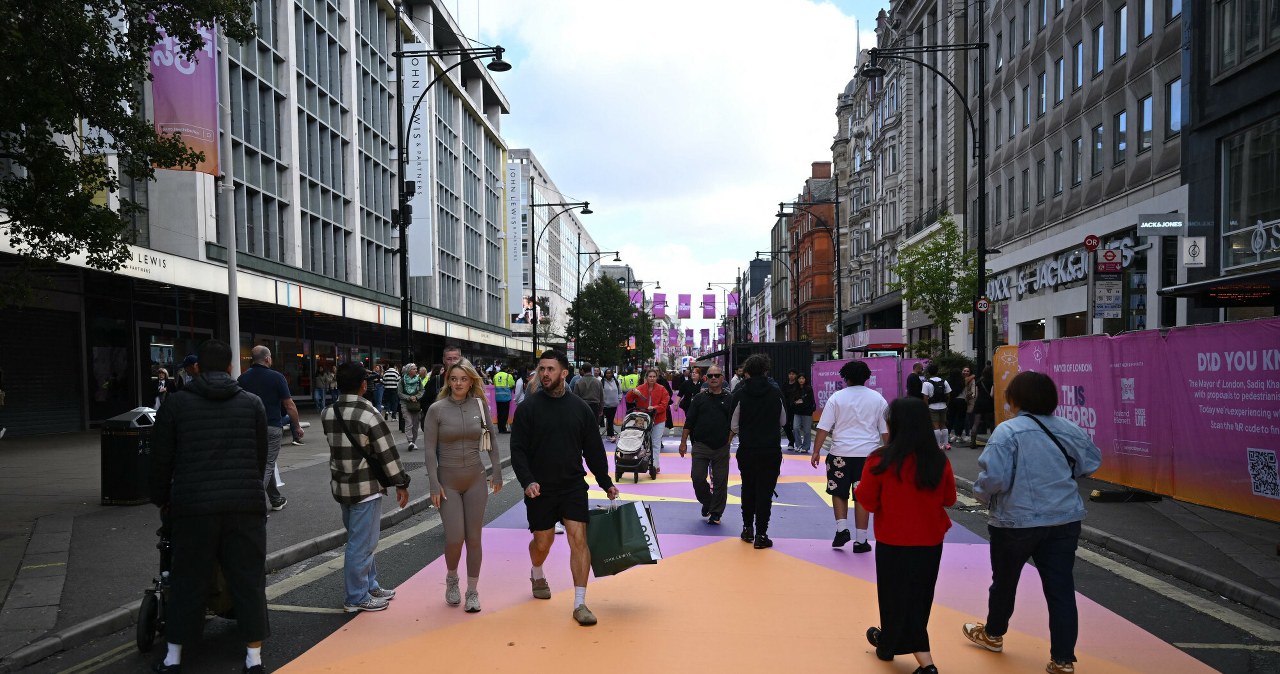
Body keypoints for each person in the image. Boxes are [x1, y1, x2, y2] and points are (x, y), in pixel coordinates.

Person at [963, 371, 1102, 674]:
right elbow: (1091, 463)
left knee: (1005, 582)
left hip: (1015, 521)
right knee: (1061, 587)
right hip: (1064, 518)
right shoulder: (1069, 428)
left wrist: (981, 495)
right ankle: (1063, 659)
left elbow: (995, 478)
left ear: (1015, 399)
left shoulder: (1007, 431)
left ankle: (993, 634)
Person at [149, 339, 270, 674]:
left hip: (193, 506)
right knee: (247, 579)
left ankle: (173, 657)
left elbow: (161, 459)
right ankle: (254, 658)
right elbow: (260, 458)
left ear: (197, 368)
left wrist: (162, 498)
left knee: (187, 579)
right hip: (244, 506)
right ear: (231, 367)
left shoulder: (176, 404)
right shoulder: (252, 403)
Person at [510, 349, 619, 626]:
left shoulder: (581, 409)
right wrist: (527, 481)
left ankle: (580, 603)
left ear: (564, 373)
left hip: (573, 486)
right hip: (539, 489)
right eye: (541, 369)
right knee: (543, 543)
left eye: (550, 369)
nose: (545, 374)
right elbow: (518, 451)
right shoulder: (528, 409)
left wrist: (605, 482)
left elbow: (593, 451)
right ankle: (537, 571)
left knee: (578, 540)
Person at [857, 398, 956, 674]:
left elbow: (868, 502)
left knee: (893, 596)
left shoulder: (880, 459)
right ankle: (887, 644)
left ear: (894, 424)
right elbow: (949, 499)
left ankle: (926, 663)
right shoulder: (938, 459)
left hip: (893, 539)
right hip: (930, 539)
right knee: (919, 597)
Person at [323, 362, 411, 613]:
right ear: (363, 385)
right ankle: (356, 596)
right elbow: (387, 453)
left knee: (359, 541)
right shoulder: (369, 413)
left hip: (342, 486)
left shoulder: (328, 412)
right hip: (365, 488)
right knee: (362, 545)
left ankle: (369, 585)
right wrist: (401, 482)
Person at [422, 361, 503, 612]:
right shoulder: (436, 409)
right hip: (448, 481)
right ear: (448, 381)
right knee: (455, 537)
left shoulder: (480, 405)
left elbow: (492, 441)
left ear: (471, 381)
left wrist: (497, 472)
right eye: (454, 378)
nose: (458, 383)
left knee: (474, 538)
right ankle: (452, 578)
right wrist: (434, 484)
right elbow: (429, 450)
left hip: (475, 478)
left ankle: (472, 591)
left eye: (463, 379)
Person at [810, 360, 888, 553]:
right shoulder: (878, 399)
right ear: (867, 377)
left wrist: (816, 451)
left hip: (840, 453)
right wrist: (890, 452)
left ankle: (841, 529)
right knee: (861, 496)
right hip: (868, 455)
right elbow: (885, 431)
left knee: (838, 491)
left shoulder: (837, 397)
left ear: (845, 378)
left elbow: (823, 427)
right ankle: (861, 540)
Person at [730, 354, 786, 549]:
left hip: (747, 449)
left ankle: (747, 528)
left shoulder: (740, 393)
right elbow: (783, 421)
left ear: (746, 372)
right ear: (765, 371)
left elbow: (734, 425)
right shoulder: (775, 392)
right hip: (770, 449)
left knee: (748, 488)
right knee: (765, 492)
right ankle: (762, 534)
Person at [237, 346, 301, 512]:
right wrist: (296, 426)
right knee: (268, 463)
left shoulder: (242, 378)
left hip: (251, 428)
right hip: (272, 426)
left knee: (266, 462)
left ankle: (276, 499)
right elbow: (289, 405)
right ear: (267, 359)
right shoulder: (277, 377)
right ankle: (254, 504)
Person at [679, 365, 734, 525]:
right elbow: (689, 421)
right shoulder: (699, 398)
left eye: (717, 375)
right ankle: (708, 502)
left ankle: (716, 513)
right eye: (710, 376)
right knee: (697, 478)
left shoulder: (730, 399)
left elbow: (735, 422)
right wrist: (683, 442)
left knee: (720, 481)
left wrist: (729, 438)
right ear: (706, 379)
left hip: (721, 446)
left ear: (722, 378)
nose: (713, 378)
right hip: (701, 444)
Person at [624, 369, 670, 473]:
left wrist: (654, 408)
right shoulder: (640, 388)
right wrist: (632, 391)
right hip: (641, 418)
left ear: (657, 378)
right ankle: (638, 462)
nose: (652, 378)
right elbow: (628, 399)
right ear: (646, 377)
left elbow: (664, 405)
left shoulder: (662, 389)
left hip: (658, 419)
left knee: (655, 443)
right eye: (650, 376)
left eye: (654, 376)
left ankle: (654, 465)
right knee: (639, 441)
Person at [921, 363, 952, 450]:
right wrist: (946, 404)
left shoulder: (926, 383)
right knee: (943, 424)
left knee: (935, 426)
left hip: (932, 407)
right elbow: (948, 395)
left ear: (928, 372)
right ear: (937, 372)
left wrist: (926, 408)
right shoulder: (944, 381)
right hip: (943, 405)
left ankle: (938, 445)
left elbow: (925, 398)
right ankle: (946, 444)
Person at [398, 363, 424, 451]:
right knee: (409, 422)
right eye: (414, 369)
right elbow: (400, 393)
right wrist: (409, 397)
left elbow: (422, 390)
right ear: (409, 370)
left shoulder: (418, 380)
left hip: (415, 404)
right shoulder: (402, 381)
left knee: (415, 424)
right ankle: (410, 441)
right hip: (405, 403)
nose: (416, 370)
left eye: (416, 369)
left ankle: (414, 441)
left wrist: (416, 397)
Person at [570, 363, 603, 430]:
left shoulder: (578, 382)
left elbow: (575, 397)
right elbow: (601, 396)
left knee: (584, 427)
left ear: (582, 370)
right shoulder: (598, 382)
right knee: (594, 427)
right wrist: (601, 409)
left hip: (583, 407)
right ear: (591, 370)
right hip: (595, 406)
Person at [969, 365, 995, 447]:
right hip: (988, 403)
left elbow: (976, 395)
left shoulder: (979, 381)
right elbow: (992, 394)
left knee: (976, 423)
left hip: (979, 403)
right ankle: (993, 442)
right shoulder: (992, 381)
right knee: (991, 423)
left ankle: (973, 442)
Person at [792, 372, 816, 454]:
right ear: (797, 380)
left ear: (805, 379)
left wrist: (800, 401)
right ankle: (798, 445)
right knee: (795, 428)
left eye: (803, 378)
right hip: (797, 412)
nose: (801, 380)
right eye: (799, 378)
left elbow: (809, 401)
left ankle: (805, 447)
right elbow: (793, 400)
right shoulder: (795, 389)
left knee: (807, 431)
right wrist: (798, 402)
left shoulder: (809, 389)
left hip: (807, 412)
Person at [492, 364, 516, 433]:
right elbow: (512, 384)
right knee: (504, 414)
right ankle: (503, 429)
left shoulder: (495, 376)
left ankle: (500, 428)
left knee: (499, 413)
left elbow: (494, 384)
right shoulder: (508, 376)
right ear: (506, 369)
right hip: (506, 397)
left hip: (498, 397)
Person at [601, 369, 621, 441]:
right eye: (607, 373)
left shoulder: (616, 381)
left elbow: (620, 391)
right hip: (606, 405)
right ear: (605, 374)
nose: (608, 375)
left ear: (612, 374)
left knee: (611, 420)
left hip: (614, 404)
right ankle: (610, 435)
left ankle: (610, 434)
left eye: (610, 373)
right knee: (609, 420)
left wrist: (619, 399)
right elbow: (600, 393)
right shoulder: (602, 382)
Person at [781, 369, 799, 449]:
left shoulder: (797, 385)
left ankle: (797, 443)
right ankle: (791, 441)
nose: (791, 375)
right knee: (785, 425)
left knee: (795, 426)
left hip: (795, 408)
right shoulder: (785, 384)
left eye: (793, 374)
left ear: (796, 375)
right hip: (786, 408)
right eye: (790, 374)